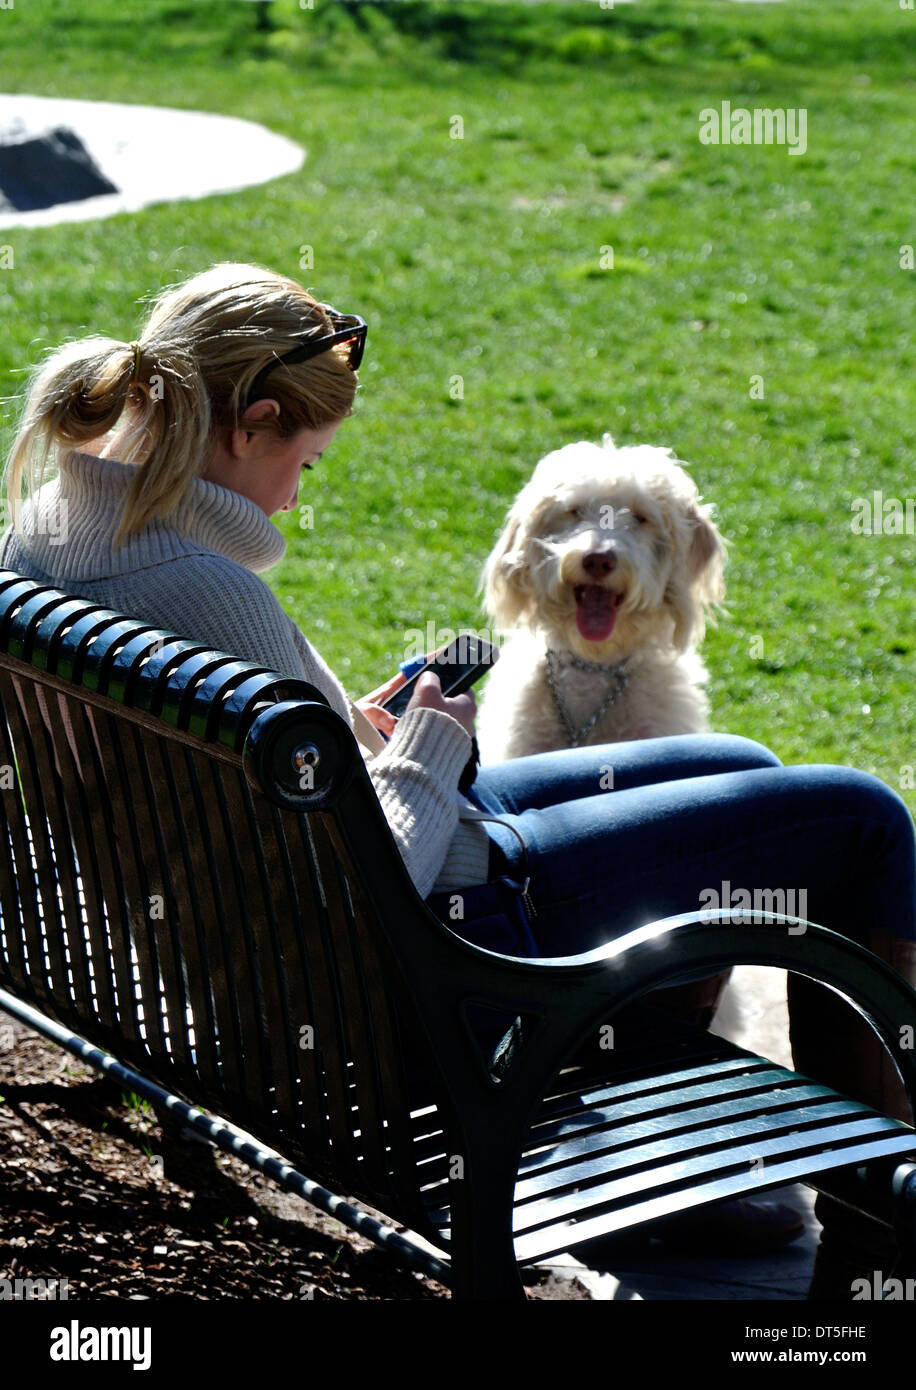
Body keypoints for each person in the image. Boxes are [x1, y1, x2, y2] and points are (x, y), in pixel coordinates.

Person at [1, 262, 913, 1298]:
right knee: (863, 819)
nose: (302, 488)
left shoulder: (48, 538)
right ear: (248, 424)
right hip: (430, 965)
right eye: (307, 459)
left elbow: (268, 811)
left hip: (254, 961)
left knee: (741, 770)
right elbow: (353, 890)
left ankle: (656, 1151)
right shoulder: (202, 587)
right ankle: (876, 1235)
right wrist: (423, 756)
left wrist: (359, 739)